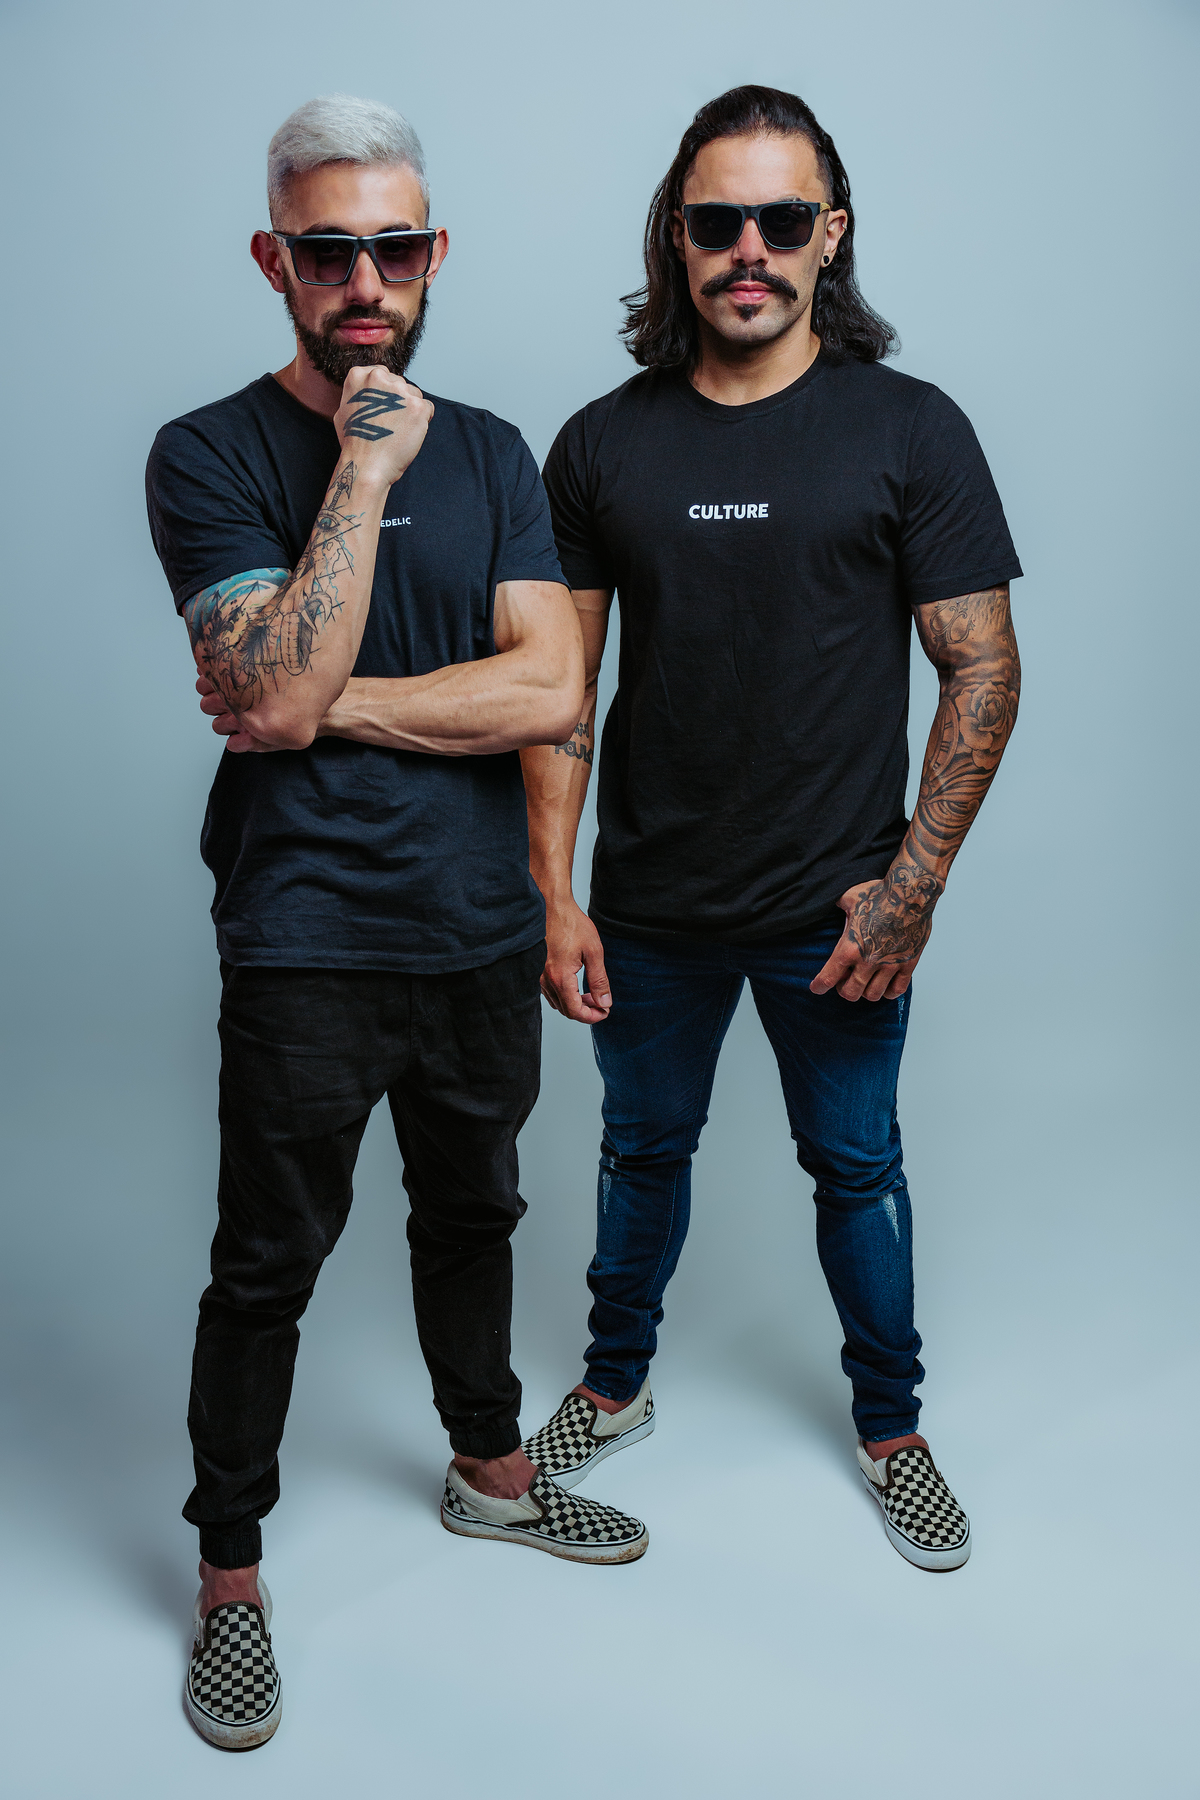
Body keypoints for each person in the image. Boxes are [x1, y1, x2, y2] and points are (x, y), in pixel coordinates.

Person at [146, 94, 647, 1753]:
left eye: (394, 248)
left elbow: (552, 690)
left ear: (434, 253)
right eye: (328, 251)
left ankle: (490, 1472)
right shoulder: (208, 454)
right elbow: (281, 695)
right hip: (304, 935)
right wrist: (364, 463)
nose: (365, 282)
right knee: (266, 1263)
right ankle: (231, 1574)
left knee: (475, 1211)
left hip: (480, 929)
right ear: (273, 259)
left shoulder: (496, 451)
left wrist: (321, 704)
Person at [519, 85, 1022, 1574]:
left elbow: (983, 665)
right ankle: (614, 1384)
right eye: (718, 221)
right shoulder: (600, 443)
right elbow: (560, 694)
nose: (750, 249)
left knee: (857, 1168)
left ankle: (893, 1429)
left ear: (830, 235)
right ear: (676, 238)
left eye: (782, 220)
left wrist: (912, 888)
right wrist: (555, 892)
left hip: (838, 913)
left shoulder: (911, 428)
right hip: (651, 904)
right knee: (640, 1149)